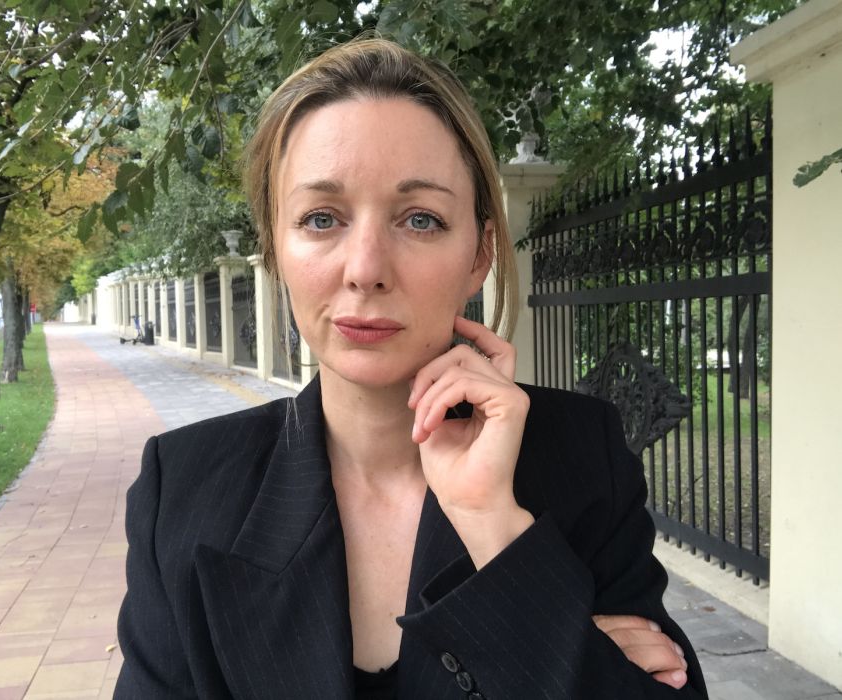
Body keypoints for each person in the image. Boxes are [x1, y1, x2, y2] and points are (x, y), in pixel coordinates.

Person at [115, 38, 708, 699]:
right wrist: (571, 643)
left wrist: (495, 528)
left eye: (420, 219)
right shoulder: (184, 488)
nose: (366, 268)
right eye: (321, 218)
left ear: (480, 255)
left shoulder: (583, 458)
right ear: (276, 251)